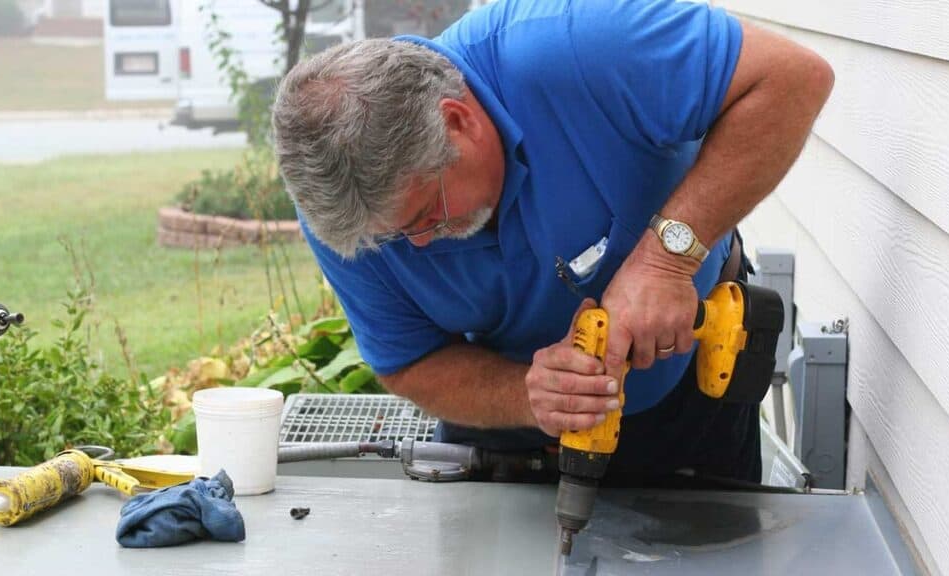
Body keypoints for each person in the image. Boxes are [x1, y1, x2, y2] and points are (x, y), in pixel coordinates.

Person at [272, 0, 833, 487]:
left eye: (427, 213)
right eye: (392, 237)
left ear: (457, 120)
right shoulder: (351, 216)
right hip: (511, 431)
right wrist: (528, 396)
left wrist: (667, 260)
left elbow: (791, 80)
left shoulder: (575, 46)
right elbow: (409, 362)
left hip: (688, 402)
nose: (417, 246)